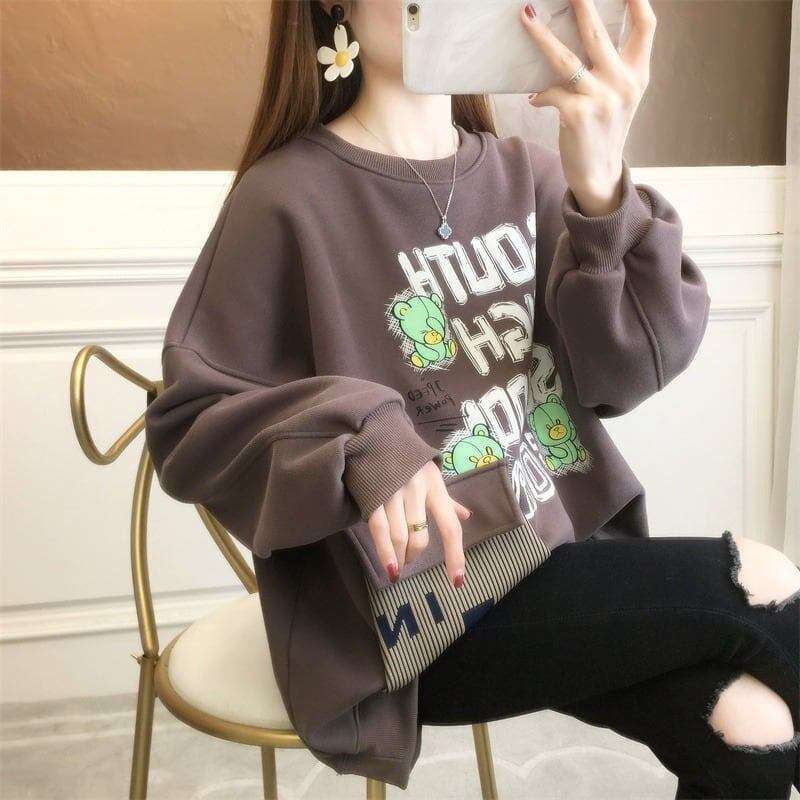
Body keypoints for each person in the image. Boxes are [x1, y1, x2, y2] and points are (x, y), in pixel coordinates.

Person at [143, 0, 800, 796]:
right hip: (412, 608)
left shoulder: (530, 175)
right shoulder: (285, 197)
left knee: (752, 722)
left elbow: (624, 373)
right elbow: (189, 425)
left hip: (558, 554)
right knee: (762, 579)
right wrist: (367, 437)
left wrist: (602, 191)